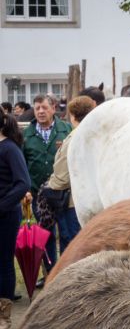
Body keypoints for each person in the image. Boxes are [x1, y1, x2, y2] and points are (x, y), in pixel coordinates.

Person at [22, 94, 72, 281]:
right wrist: (26, 189)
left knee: (67, 234)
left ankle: (67, 274)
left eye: (44, 107)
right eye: (37, 108)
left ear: (53, 108)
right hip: (38, 195)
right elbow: (22, 163)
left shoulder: (66, 130)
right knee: (45, 236)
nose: (41, 111)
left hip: (63, 194)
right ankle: (50, 274)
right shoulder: (27, 135)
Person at [44, 95, 95, 254]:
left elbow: (62, 175)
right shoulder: (93, 135)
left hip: (71, 200)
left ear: (72, 115)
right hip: (89, 198)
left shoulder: (75, 137)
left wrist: (49, 187)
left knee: (70, 242)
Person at [0, 111, 31, 329]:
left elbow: (23, 183)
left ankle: (4, 317)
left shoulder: (10, 148)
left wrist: (2, 205)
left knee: (3, 264)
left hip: (6, 216)